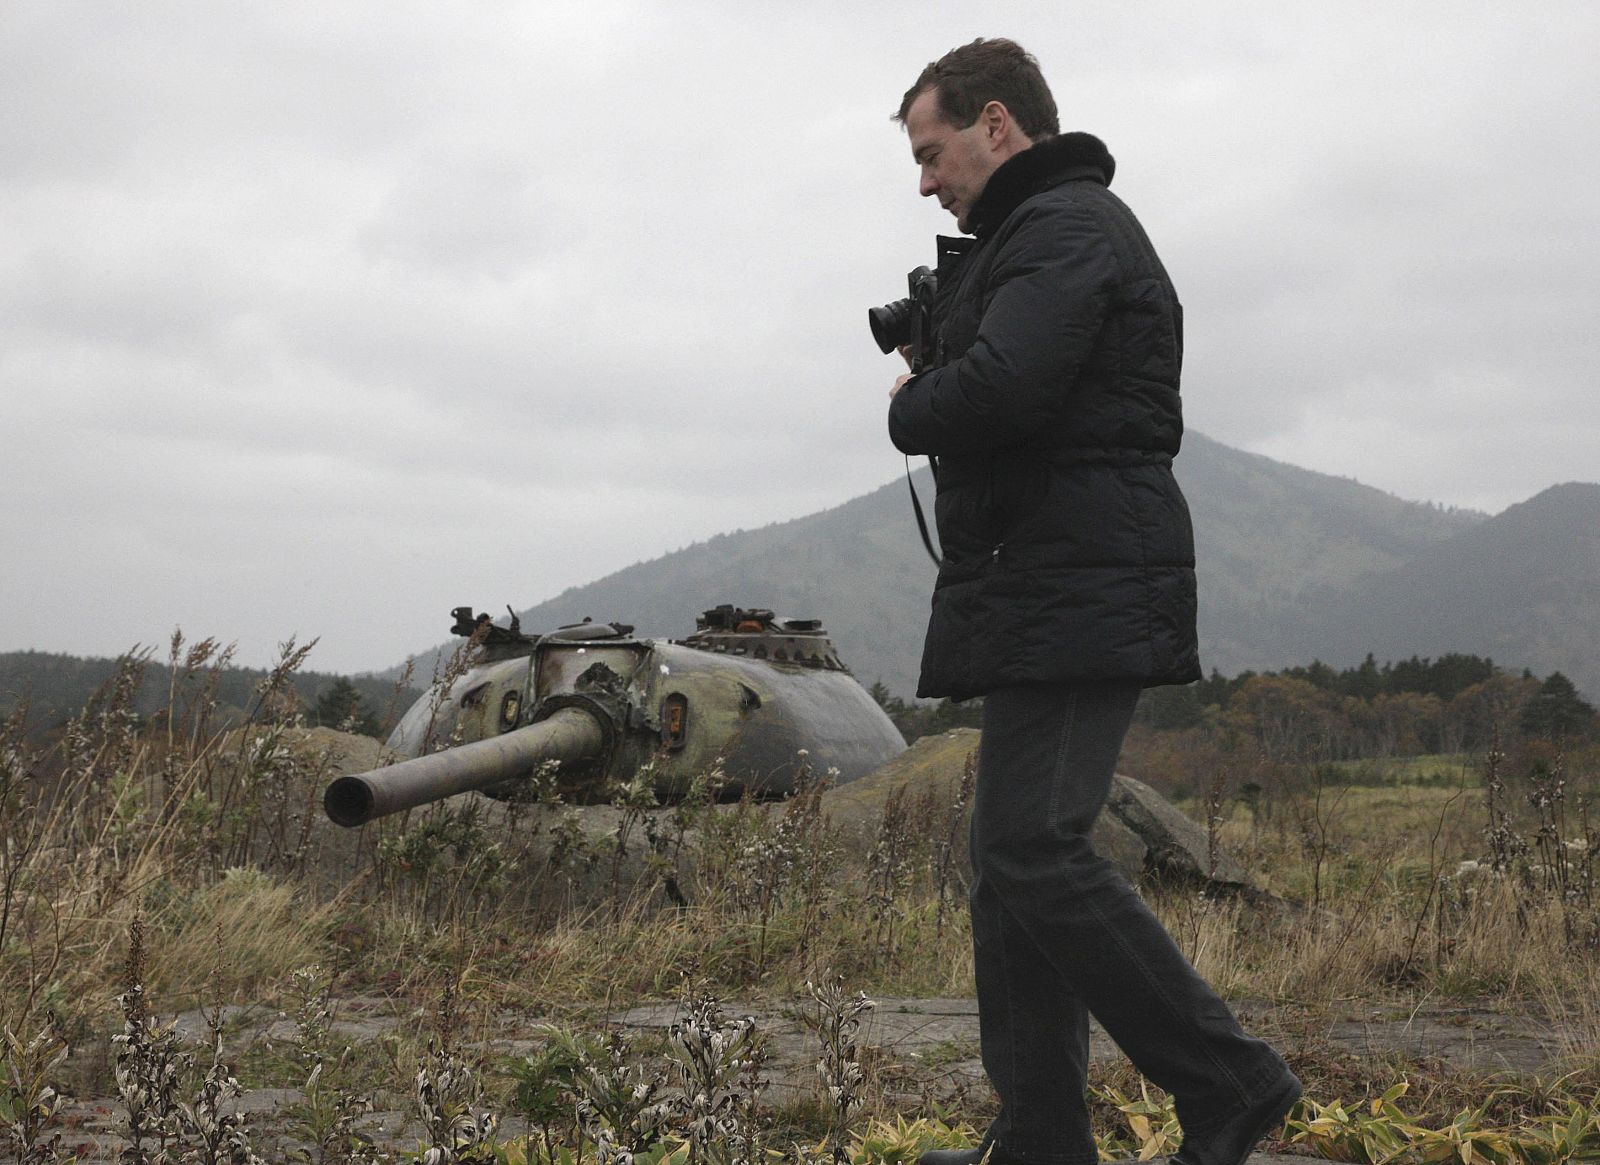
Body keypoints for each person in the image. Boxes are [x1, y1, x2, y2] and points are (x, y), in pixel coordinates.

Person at [884, 39, 1301, 1165]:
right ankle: (1038, 1137)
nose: (925, 180)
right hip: (1047, 576)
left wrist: (914, 400)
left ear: (998, 124)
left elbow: (1007, 387)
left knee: (1034, 845)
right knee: (1005, 863)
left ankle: (1230, 1082)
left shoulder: (1065, 227)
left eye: (932, 154)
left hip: (1079, 576)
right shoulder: (1035, 235)